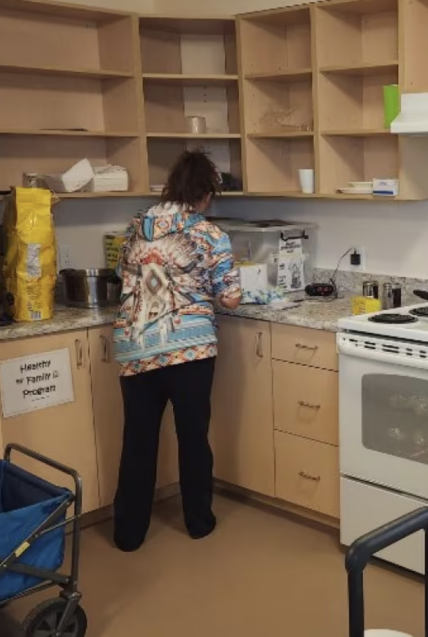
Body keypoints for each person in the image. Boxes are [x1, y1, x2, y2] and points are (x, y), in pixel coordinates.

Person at [112, 150, 241, 552]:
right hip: (189, 349)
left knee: (138, 439)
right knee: (192, 437)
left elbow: (122, 273)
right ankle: (199, 522)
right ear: (206, 193)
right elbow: (232, 298)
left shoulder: (137, 225)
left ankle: (128, 534)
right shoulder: (209, 234)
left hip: (137, 346)